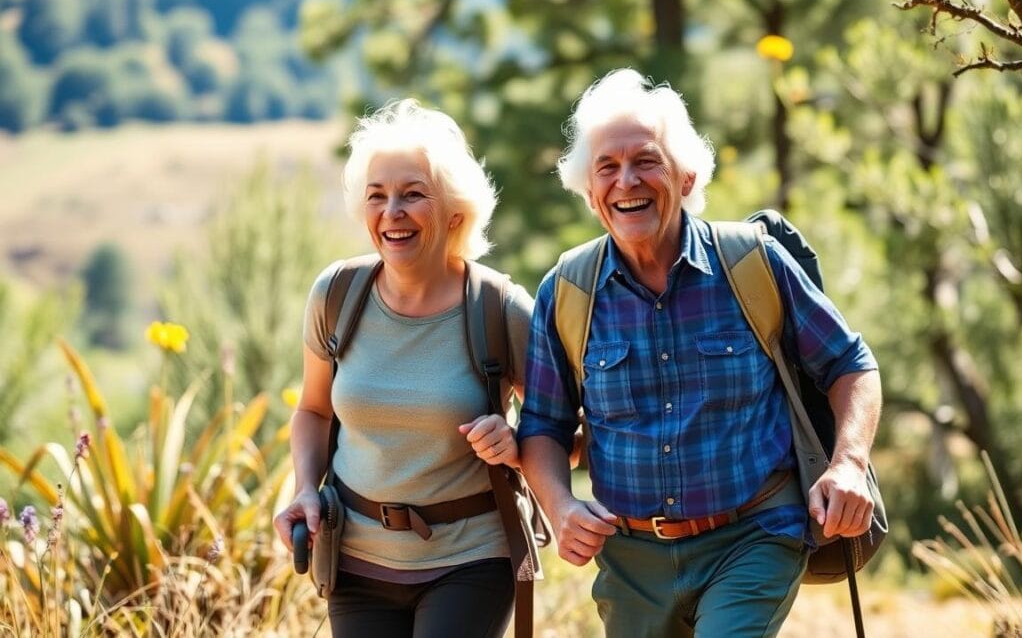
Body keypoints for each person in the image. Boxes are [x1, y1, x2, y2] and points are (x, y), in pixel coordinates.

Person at [517, 68, 882, 637]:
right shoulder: (566, 292)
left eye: (645, 161)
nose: (625, 181)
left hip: (755, 534)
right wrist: (561, 507)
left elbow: (850, 364)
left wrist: (849, 462)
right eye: (607, 169)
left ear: (686, 177)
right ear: (590, 195)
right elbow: (543, 423)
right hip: (630, 559)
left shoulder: (752, 263)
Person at [272, 99, 533, 638]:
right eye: (377, 196)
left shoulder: (500, 308)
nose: (392, 211)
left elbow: (565, 432)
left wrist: (517, 441)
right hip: (356, 562)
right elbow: (314, 410)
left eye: (413, 194)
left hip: (471, 559)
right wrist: (303, 487)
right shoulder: (337, 295)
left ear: (454, 211)